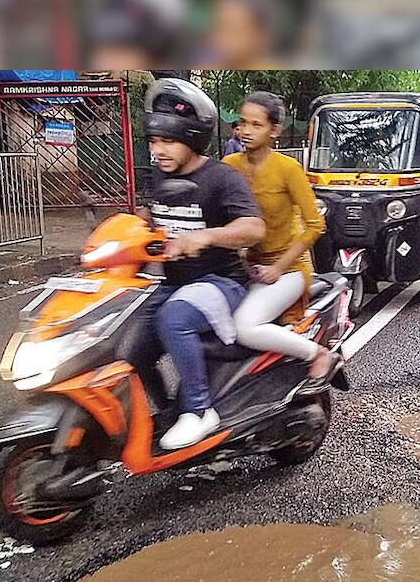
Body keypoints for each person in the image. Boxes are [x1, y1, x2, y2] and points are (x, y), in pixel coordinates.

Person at [124, 77, 266, 450]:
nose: (158, 150)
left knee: (174, 317)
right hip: (172, 283)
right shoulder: (160, 174)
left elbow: (253, 227)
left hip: (220, 282)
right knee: (128, 347)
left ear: (191, 138)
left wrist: (205, 236)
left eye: (167, 141)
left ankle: (201, 411)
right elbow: (151, 219)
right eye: (154, 141)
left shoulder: (222, 178)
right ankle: (169, 410)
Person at [223, 91, 338, 379]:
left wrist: (278, 268)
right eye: (242, 123)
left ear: (274, 130)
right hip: (244, 267)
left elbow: (315, 224)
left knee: (244, 327)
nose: (246, 131)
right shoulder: (228, 167)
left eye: (256, 125)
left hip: (289, 270)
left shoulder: (288, 169)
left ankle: (318, 353)